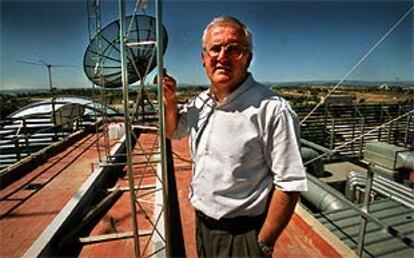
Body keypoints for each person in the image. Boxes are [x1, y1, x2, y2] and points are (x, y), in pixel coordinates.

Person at [162, 16, 307, 257]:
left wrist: (261, 244)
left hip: (243, 236)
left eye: (234, 49)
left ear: (248, 58)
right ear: (203, 58)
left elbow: (290, 185)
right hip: (204, 226)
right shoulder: (201, 102)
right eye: (215, 49)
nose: (222, 56)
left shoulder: (272, 110)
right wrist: (170, 102)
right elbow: (173, 131)